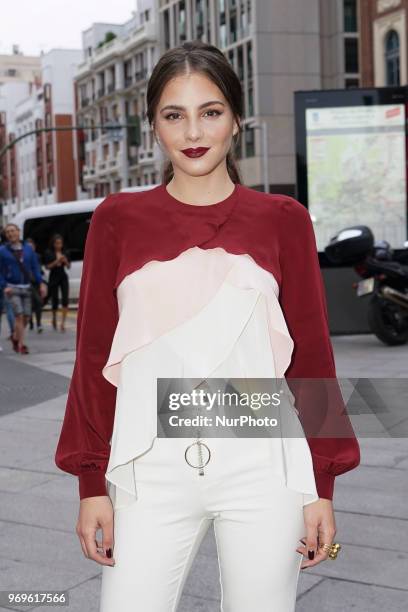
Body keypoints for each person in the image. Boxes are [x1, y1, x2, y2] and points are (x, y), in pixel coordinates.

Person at [54, 41, 360, 612]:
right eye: (175, 115)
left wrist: (320, 487)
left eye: (211, 111)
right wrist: (91, 483)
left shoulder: (284, 221)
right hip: (147, 470)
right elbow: (92, 358)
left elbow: (313, 360)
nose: (193, 131)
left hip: (266, 470)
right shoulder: (117, 220)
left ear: (236, 120)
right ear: (154, 126)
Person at [0, 223, 47, 354]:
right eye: (8, 232)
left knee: (26, 316)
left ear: (18, 232)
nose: (10, 234)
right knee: (19, 316)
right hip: (11, 287)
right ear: (6, 235)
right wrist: (4, 286)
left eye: (13, 231)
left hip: (27, 287)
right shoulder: (2, 251)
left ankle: (15, 338)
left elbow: (35, 268)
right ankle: (21, 344)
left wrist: (41, 283)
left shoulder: (28, 249)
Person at [43, 234, 71, 332]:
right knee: (54, 299)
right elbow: (47, 267)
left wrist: (65, 261)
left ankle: (63, 322)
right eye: (57, 243)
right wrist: (57, 261)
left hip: (63, 276)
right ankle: (54, 317)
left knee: (65, 299)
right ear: (53, 244)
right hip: (53, 276)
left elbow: (68, 266)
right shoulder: (48, 253)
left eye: (60, 243)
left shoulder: (65, 252)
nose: (59, 245)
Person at [26, 237, 45, 334]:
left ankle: (38, 323)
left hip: (37, 282)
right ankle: (31, 322)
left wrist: (41, 280)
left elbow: (39, 269)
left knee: (38, 303)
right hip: (27, 282)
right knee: (32, 302)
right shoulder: (23, 256)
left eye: (31, 246)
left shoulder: (38, 256)